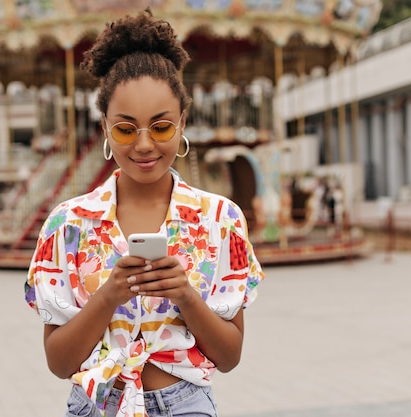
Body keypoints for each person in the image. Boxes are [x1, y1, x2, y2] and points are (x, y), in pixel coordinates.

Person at [24, 9, 264, 417]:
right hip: (96, 405)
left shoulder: (220, 220)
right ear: (104, 128)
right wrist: (109, 296)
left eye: (161, 126)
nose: (145, 144)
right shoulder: (68, 225)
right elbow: (59, 363)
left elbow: (229, 356)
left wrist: (186, 295)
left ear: (182, 122)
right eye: (125, 128)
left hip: (185, 405)